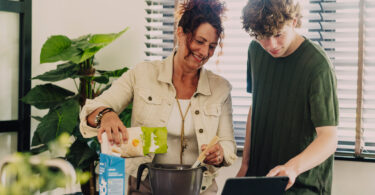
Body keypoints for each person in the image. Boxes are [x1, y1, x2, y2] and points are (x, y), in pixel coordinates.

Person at [79, 0, 237, 194]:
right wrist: (106, 115)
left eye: (212, 46)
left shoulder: (221, 88)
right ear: (180, 33)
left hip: (200, 189)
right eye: (199, 41)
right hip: (145, 187)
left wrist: (221, 153)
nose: (205, 52)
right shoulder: (143, 74)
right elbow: (92, 110)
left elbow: (229, 143)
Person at [236, 0, 339, 194]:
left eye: (278, 34)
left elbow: (329, 138)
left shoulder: (318, 66)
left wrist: (292, 168)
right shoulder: (255, 50)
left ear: (294, 21)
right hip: (260, 178)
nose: (270, 45)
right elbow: (256, 107)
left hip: (302, 185)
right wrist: (245, 165)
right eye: (262, 37)